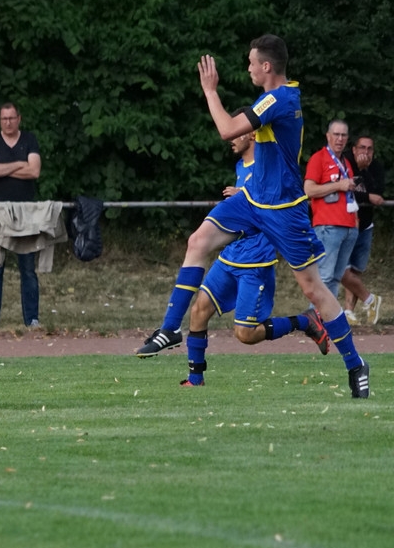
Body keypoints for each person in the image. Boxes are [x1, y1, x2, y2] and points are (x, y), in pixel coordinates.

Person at [135, 34, 370, 399]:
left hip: (282, 210)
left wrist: (210, 91)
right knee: (197, 241)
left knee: (313, 288)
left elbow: (227, 130)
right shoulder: (273, 98)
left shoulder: (280, 98)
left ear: (266, 66)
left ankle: (356, 364)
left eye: (251, 62)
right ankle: (170, 329)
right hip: (252, 200)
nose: (248, 68)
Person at [176, 121, 329, 387]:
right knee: (199, 309)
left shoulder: (269, 167)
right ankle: (195, 379)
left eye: (236, 133)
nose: (230, 138)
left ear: (251, 134)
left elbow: (281, 202)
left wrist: (246, 196)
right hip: (231, 256)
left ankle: (304, 321)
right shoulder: (241, 166)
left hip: (256, 261)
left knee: (245, 334)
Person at [0, 102, 41, 328]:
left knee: (28, 268)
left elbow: (34, 171)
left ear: (19, 118)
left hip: (25, 211)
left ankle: (32, 319)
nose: (8, 122)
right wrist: (18, 164)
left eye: (11, 118)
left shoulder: (29, 140)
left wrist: (4, 169)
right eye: (4, 118)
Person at [303, 120, 358, 298]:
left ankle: (329, 315)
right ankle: (316, 314)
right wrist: (337, 185)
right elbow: (309, 190)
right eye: (336, 134)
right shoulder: (318, 158)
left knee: (335, 278)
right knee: (324, 277)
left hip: (348, 226)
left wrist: (355, 223)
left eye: (343, 135)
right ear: (328, 136)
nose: (340, 139)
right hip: (328, 225)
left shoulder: (346, 162)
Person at [340, 134, 384, 324]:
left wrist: (364, 171)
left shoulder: (376, 167)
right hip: (345, 224)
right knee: (340, 269)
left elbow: (378, 193)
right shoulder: (344, 162)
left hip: (365, 225)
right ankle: (370, 299)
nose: (366, 152)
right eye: (362, 147)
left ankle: (349, 312)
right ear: (354, 149)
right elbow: (346, 191)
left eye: (369, 148)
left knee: (355, 270)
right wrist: (367, 196)